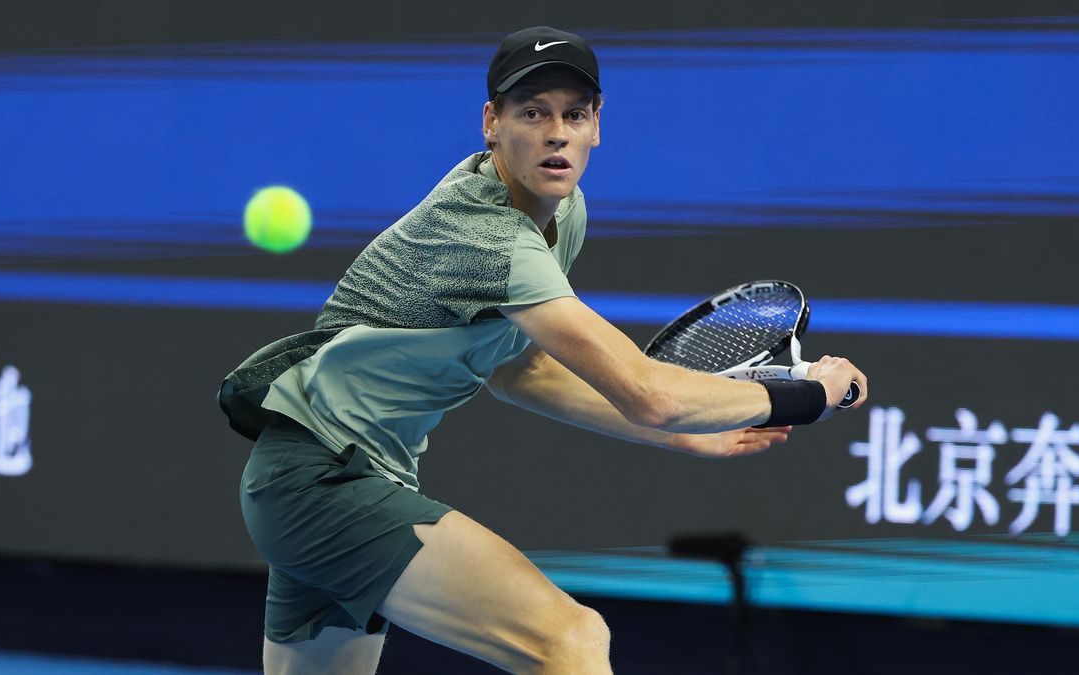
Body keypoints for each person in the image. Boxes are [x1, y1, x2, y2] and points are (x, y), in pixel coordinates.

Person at [219, 25, 868, 675]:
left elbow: (518, 370)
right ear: (491, 123)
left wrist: (681, 434)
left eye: (574, 114)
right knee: (569, 638)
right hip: (323, 485)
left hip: (312, 487)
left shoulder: (562, 212)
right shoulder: (490, 237)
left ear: (596, 126)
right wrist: (811, 394)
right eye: (532, 113)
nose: (557, 133)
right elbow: (650, 394)